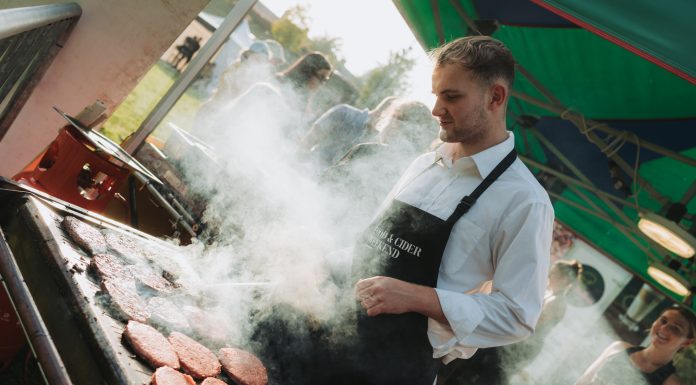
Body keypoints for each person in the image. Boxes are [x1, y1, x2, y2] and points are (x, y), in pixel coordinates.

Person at [318, 35, 555, 385]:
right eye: (436, 95)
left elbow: (518, 316)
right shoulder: (423, 165)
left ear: (496, 96)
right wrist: (316, 263)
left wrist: (416, 297)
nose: (436, 110)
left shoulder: (524, 201)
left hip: (392, 370)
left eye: (452, 97)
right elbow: (369, 248)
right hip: (331, 335)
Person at [437, 259, 584, 385]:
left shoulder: (557, 302)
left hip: (522, 347)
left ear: (564, 279)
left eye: (553, 274)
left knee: (490, 376)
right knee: (477, 368)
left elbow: (533, 323)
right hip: (517, 342)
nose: (549, 277)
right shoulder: (550, 295)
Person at [573, 305, 696, 385]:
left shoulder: (672, 383)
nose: (663, 328)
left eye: (675, 328)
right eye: (663, 321)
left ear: (687, 342)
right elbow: (582, 381)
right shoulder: (617, 348)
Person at [300, 96, 400, 170]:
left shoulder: (375, 141)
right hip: (308, 169)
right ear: (383, 114)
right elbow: (311, 137)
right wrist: (294, 159)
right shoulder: (344, 112)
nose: (394, 125)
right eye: (394, 118)